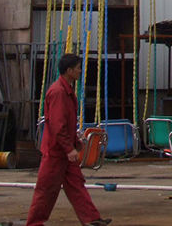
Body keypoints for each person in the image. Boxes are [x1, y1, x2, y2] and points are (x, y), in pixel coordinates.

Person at [26, 53, 111, 226]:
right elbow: (58, 125)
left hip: (63, 150)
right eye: (78, 68)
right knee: (46, 189)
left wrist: (74, 143)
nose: (80, 71)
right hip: (56, 152)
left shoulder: (65, 90)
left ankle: (92, 219)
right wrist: (68, 148)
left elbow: (64, 124)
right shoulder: (59, 92)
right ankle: (34, 223)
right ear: (69, 70)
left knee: (76, 185)